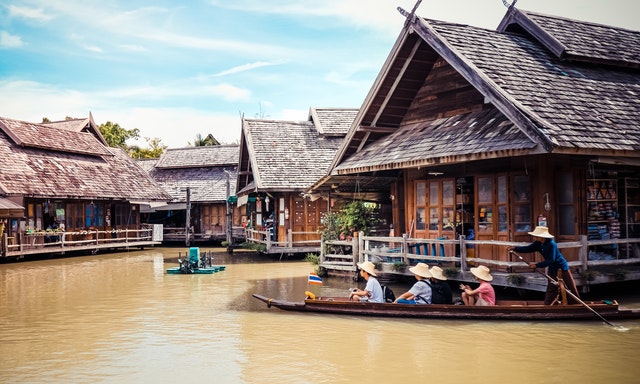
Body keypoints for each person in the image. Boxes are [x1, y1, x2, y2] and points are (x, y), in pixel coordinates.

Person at [507, 225, 580, 305]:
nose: (534, 237)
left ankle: (576, 305)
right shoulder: (538, 243)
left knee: (570, 287)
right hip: (552, 269)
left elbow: (551, 260)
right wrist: (514, 248)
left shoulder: (551, 244)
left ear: (542, 237)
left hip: (562, 268)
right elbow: (528, 248)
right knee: (551, 288)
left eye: (536, 236)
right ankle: (548, 305)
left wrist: (537, 265)